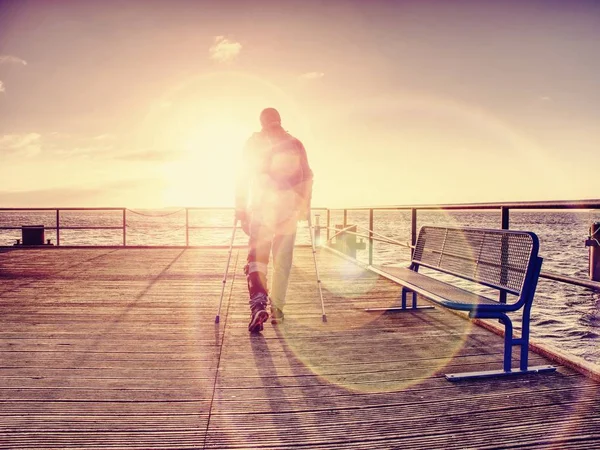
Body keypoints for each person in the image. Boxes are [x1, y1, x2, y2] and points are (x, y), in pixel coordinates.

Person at [235, 108, 313, 333]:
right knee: (283, 259)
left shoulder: (254, 143)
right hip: (289, 208)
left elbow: (243, 176)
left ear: (261, 122)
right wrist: (304, 205)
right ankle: (277, 308)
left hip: (262, 207)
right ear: (280, 121)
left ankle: (258, 303)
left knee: (257, 258)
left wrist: (240, 208)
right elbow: (308, 176)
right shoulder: (295, 143)